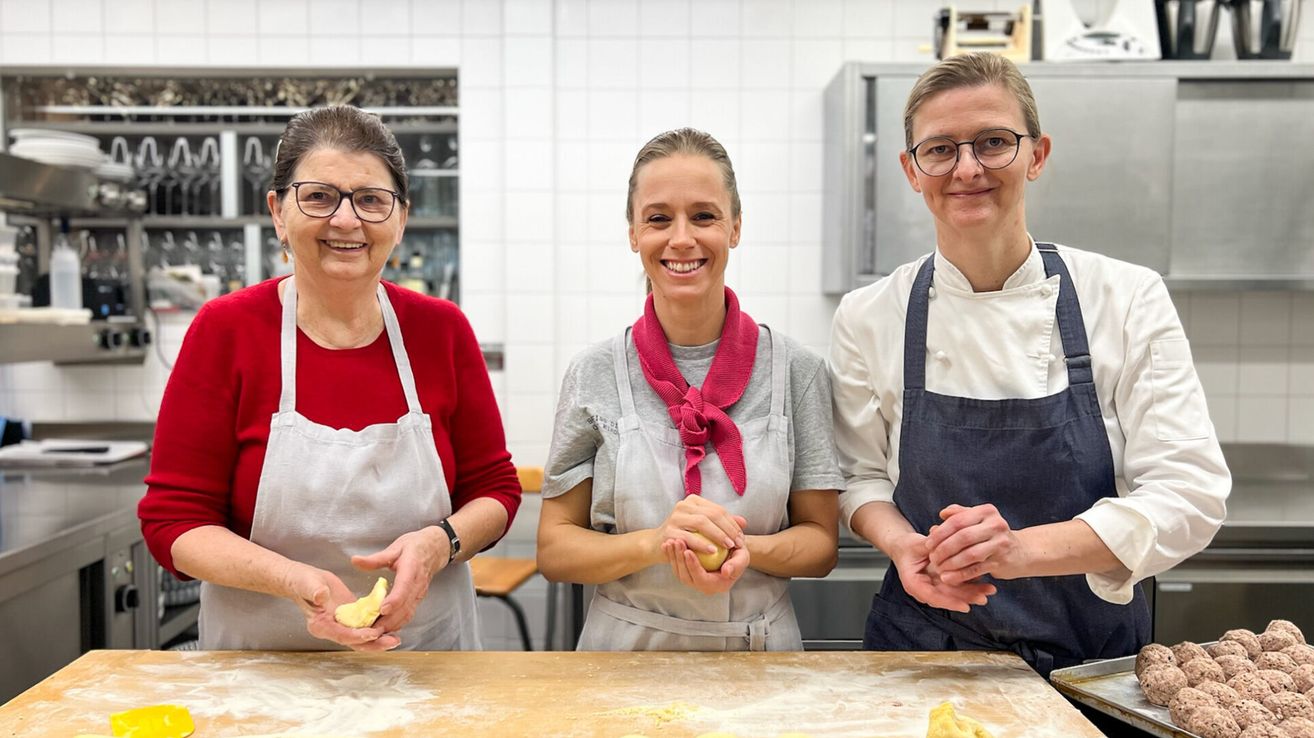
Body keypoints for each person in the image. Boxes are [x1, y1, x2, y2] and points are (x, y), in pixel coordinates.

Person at [828, 54, 1231, 676]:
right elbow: (859, 479)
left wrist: (1017, 550)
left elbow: (1191, 493)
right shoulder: (869, 314)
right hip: (922, 651)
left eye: (993, 142)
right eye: (940, 149)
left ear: (1036, 155)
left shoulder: (1126, 297)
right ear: (912, 170)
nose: (967, 169)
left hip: (1090, 662)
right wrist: (903, 545)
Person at [139, 106, 521, 651]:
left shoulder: (441, 331)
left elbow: (495, 490)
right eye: (319, 197)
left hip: (424, 662)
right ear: (278, 211)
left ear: (400, 218)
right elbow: (172, 523)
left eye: (371, 200)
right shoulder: (226, 331)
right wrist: (296, 581)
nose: (347, 220)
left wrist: (442, 543)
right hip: (265, 671)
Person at [537, 128, 844, 651]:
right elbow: (554, 548)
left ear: (736, 228)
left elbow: (820, 544)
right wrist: (657, 544)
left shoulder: (797, 371)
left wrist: (742, 548)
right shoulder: (594, 373)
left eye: (704, 216)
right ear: (634, 233)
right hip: (623, 658)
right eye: (658, 218)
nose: (682, 239)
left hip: (760, 660)